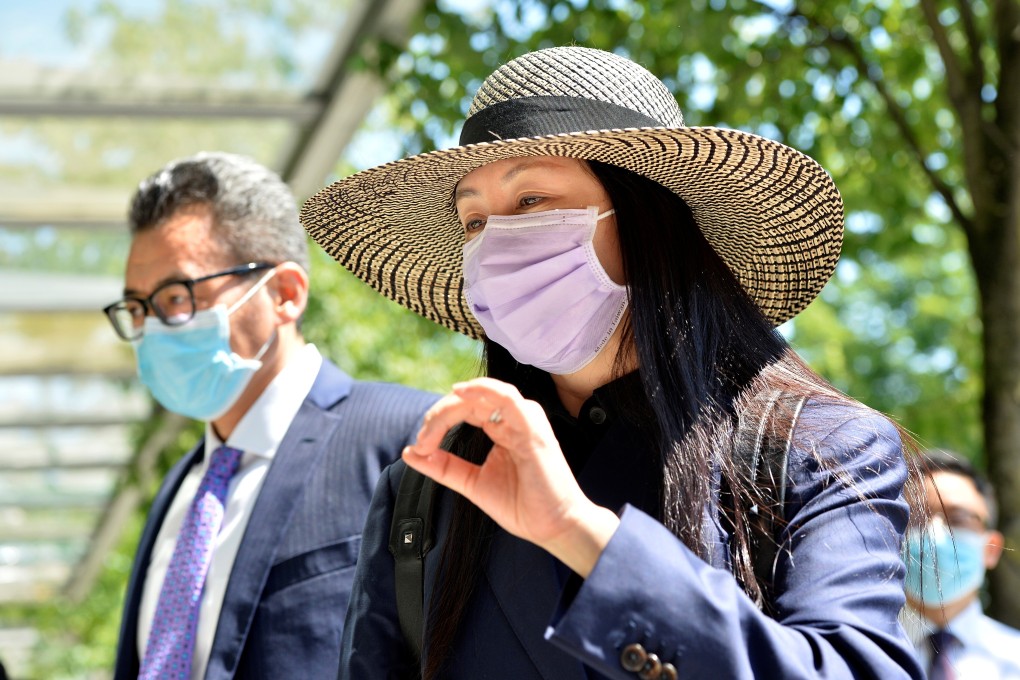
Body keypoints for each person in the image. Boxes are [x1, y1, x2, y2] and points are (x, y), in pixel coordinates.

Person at [302, 46, 925, 679]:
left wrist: (581, 535)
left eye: (530, 201)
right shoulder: (431, 491)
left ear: (647, 221)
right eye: (473, 220)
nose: (494, 245)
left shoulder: (817, 450)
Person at [103, 152, 438, 680]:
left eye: (176, 296)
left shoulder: (410, 440)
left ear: (285, 294)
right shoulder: (180, 490)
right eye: (139, 309)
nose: (153, 330)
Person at [902, 449, 1020, 679]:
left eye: (958, 519)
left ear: (991, 549)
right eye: (915, 518)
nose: (933, 534)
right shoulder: (841, 656)